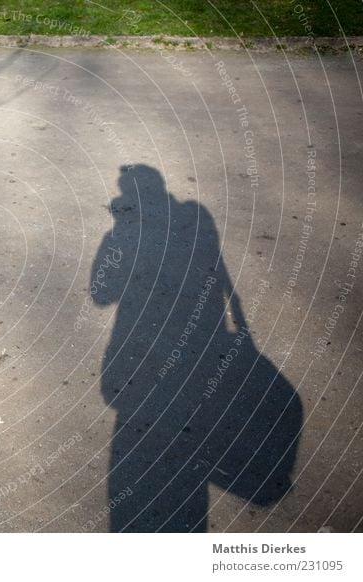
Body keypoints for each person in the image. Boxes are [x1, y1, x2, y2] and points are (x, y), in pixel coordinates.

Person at [91, 164, 302, 531]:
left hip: (143, 361)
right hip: (199, 338)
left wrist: (120, 237)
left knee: (148, 452)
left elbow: (101, 294)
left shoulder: (131, 230)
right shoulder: (195, 215)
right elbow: (218, 268)